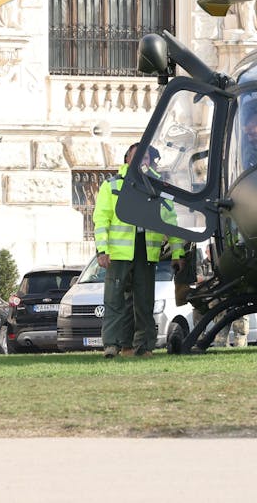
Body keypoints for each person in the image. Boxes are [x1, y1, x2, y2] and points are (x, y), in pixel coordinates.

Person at [94, 145, 186, 357]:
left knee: (144, 302)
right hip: (118, 254)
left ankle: (142, 346)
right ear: (127, 159)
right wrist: (102, 250)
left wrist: (177, 253)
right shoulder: (112, 185)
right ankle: (113, 345)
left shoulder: (158, 187)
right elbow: (101, 219)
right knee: (115, 300)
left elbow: (171, 222)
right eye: (137, 157)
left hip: (146, 252)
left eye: (145, 157)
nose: (141, 162)